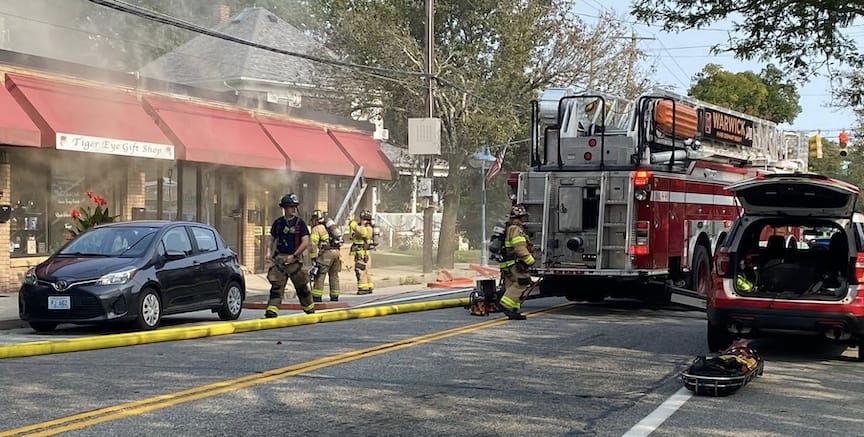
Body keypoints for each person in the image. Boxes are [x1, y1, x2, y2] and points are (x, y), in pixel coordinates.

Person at [265, 193, 315, 317]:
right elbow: (272, 239)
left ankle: (309, 308)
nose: (293, 209)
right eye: (290, 206)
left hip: (295, 260)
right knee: (277, 286)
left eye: (294, 206)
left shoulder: (300, 223)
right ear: (284, 208)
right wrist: (268, 253)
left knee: (302, 286)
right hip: (280, 258)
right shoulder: (278, 223)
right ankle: (272, 310)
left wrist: (294, 255)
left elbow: (305, 241)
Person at [497, 205, 535, 320]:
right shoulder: (516, 229)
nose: (525, 219)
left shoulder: (509, 227)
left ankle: (513, 310)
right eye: (524, 217)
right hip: (515, 263)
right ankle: (505, 304)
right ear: (520, 217)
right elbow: (519, 248)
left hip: (508, 263)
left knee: (511, 284)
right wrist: (530, 260)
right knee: (522, 282)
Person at [308, 209, 343, 302]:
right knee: (334, 275)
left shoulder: (317, 228)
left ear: (316, 219)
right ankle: (335, 296)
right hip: (337, 253)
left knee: (320, 274)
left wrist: (313, 256)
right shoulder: (329, 227)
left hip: (327, 254)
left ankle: (317, 296)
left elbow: (312, 244)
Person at [349, 209, 375, 294]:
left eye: (361, 219)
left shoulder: (367, 228)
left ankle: (363, 288)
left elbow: (362, 233)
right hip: (363, 253)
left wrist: (352, 223)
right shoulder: (367, 227)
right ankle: (369, 286)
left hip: (362, 253)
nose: (360, 220)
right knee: (365, 270)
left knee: (360, 271)